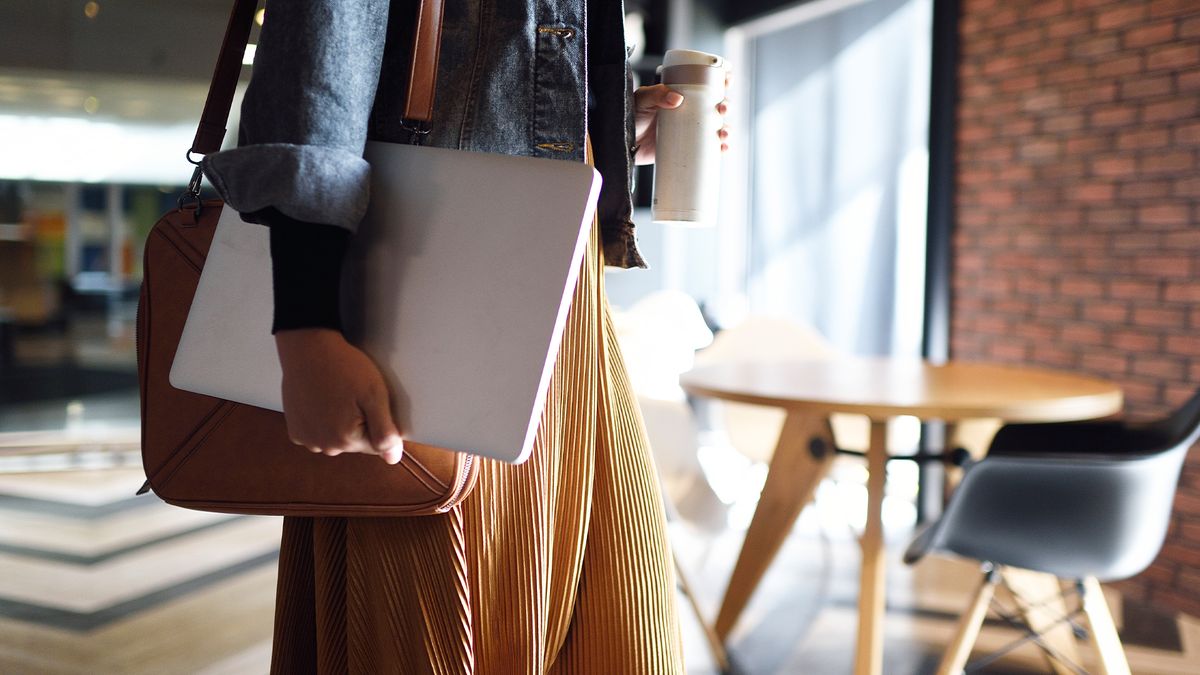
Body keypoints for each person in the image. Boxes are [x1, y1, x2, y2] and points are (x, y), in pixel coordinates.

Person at [200, 0, 728, 671]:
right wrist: (308, 323)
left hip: (562, 295)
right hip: (430, 289)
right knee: (443, 632)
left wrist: (614, 122)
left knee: (621, 634)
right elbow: (319, 61)